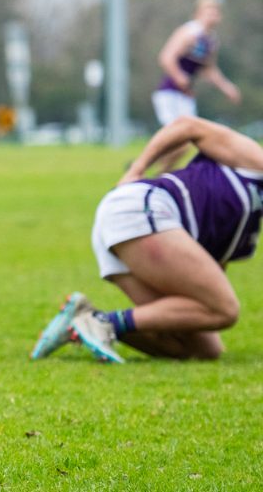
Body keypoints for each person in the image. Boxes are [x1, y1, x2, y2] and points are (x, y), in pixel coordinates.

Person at [30, 115, 261, 364]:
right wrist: (136, 169)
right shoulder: (256, 160)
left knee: (203, 348)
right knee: (224, 310)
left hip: (135, 226)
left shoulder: (244, 234)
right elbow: (187, 125)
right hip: (142, 210)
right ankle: (103, 324)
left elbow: (205, 280)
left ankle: (83, 319)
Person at [150, 0, 240, 172]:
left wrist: (227, 87)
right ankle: (142, 168)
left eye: (216, 11)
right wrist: (179, 77)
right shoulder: (188, 32)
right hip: (169, 93)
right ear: (198, 13)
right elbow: (166, 57)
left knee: (185, 143)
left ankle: (158, 175)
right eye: (209, 10)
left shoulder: (211, 40)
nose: (213, 14)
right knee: (179, 140)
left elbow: (209, 69)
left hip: (185, 96)